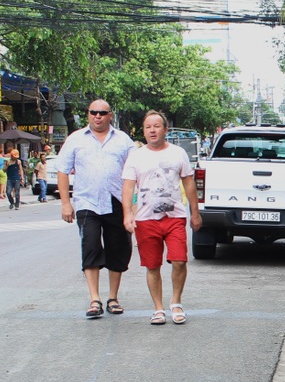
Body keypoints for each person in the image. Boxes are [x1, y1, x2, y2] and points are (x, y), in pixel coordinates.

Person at [56, 100, 136, 319]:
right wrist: (65, 203)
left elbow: (135, 171)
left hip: (117, 202)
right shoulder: (75, 139)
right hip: (86, 203)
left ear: (110, 115)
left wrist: (134, 207)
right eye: (93, 113)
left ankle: (112, 298)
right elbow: (62, 171)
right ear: (88, 114)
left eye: (102, 113)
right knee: (90, 246)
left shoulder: (123, 140)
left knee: (118, 249)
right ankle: (94, 299)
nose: (98, 116)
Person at [122, 110, 202, 325]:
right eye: (148, 127)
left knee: (179, 260)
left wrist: (195, 213)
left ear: (165, 130)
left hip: (174, 216)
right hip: (146, 219)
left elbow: (189, 183)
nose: (152, 130)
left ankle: (176, 302)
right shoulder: (136, 156)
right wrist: (127, 214)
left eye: (157, 126)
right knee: (152, 265)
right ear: (144, 131)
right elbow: (128, 187)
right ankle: (158, 308)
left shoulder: (178, 153)